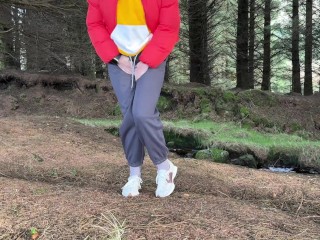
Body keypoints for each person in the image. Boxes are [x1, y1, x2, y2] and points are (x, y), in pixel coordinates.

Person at [86, 0, 180, 197]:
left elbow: (168, 26)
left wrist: (148, 61)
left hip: (152, 55)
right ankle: (134, 174)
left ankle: (164, 167)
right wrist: (116, 58)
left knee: (142, 113)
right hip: (118, 59)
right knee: (129, 115)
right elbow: (95, 24)